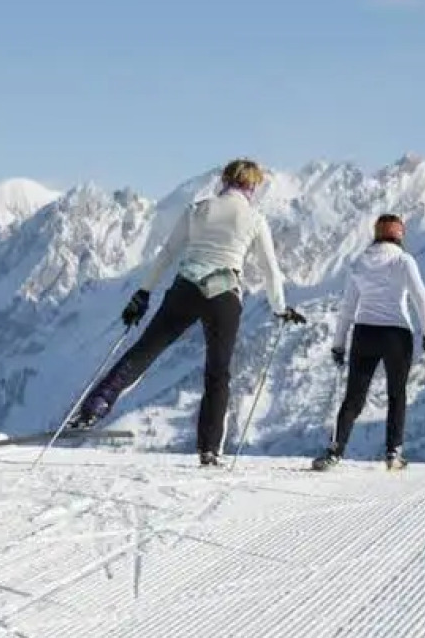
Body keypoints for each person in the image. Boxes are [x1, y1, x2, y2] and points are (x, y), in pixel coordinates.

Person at [71, 158, 305, 466]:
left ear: (224, 179)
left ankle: (92, 409)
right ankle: (209, 449)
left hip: (186, 287)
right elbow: (270, 271)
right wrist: (280, 309)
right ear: (254, 185)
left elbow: (167, 253)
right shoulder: (255, 218)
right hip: (224, 293)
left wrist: (143, 293)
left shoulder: (198, 210)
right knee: (218, 372)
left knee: (145, 350)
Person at [312, 213, 425, 471]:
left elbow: (348, 307)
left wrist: (339, 344)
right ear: (400, 235)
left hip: (364, 333)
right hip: (396, 334)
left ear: (377, 234)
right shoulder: (404, 261)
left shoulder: (360, 261)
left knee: (354, 397)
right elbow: (420, 297)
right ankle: (393, 453)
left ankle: (336, 450)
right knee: (396, 394)